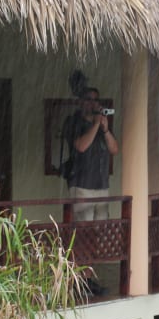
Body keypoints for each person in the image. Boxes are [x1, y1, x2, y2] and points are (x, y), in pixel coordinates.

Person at [64, 86, 119, 221]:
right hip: (82, 186)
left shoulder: (102, 126)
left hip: (102, 186)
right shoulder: (73, 122)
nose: (93, 103)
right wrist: (95, 125)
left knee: (101, 229)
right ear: (81, 102)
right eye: (89, 99)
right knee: (84, 230)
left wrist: (105, 130)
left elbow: (114, 150)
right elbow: (81, 146)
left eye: (96, 100)